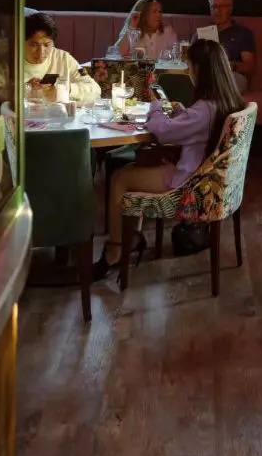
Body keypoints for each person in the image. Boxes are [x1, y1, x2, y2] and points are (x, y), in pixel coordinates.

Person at [94, 38, 245, 279]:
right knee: (140, 163)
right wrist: (183, 113)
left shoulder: (204, 110)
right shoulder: (227, 101)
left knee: (120, 178)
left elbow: (162, 132)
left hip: (189, 182)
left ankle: (116, 249)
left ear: (200, 70)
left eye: (190, 67)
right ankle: (132, 239)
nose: (189, 72)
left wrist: (155, 104)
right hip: (210, 179)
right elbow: (197, 128)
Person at [23, 12, 101, 103]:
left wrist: (65, 89)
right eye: (33, 45)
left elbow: (95, 91)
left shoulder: (64, 59)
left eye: (46, 45)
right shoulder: (11, 59)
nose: (41, 52)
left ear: (53, 43)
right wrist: (26, 89)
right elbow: (6, 95)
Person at [193, 0, 255, 94]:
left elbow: (249, 66)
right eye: (214, 7)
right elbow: (191, 61)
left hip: (231, 75)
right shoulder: (202, 33)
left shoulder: (242, 33)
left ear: (230, 9)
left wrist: (229, 65)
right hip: (207, 77)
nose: (217, 11)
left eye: (221, 7)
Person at [114, 0, 178, 60]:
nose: (159, 14)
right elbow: (117, 54)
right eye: (154, 11)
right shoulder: (131, 29)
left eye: (160, 11)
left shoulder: (167, 30)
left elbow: (175, 55)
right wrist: (132, 27)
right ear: (143, 14)